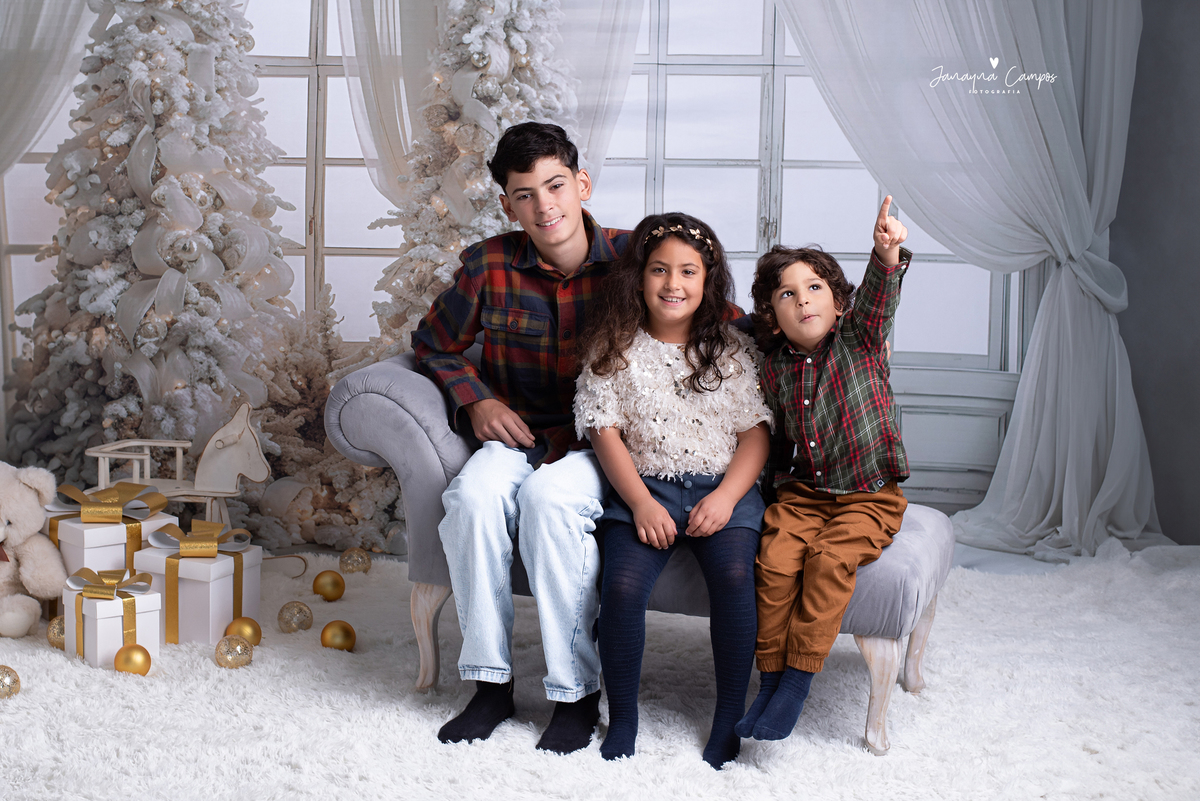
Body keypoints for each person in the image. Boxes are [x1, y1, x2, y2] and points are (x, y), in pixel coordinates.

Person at [412, 122, 630, 753]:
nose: (544, 205)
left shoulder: (635, 258)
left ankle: (574, 694)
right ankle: (489, 685)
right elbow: (433, 344)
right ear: (508, 205)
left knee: (548, 502)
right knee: (472, 499)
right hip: (519, 434)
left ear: (582, 184)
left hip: (600, 443)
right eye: (525, 194)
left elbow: (714, 318)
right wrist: (475, 398)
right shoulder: (488, 265)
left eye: (555, 185)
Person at [574, 212, 772, 768]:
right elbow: (604, 430)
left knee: (735, 579)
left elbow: (755, 434)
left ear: (707, 280)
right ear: (639, 277)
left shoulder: (731, 350)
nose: (673, 284)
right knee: (620, 589)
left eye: (688, 271)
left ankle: (728, 719)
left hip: (723, 489)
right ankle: (624, 718)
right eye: (659, 269)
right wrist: (639, 502)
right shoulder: (613, 349)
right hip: (648, 490)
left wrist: (726, 498)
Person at [734, 197, 912, 742]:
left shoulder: (860, 339)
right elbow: (774, 442)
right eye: (786, 294)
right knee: (775, 561)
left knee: (829, 559)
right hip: (806, 493)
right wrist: (766, 495)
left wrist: (886, 253)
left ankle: (797, 681)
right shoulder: (773, 369)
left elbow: (879, 299)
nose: (802, 300)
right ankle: (770, 677)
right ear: (773, 315)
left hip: (869, 495)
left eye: (814, 288)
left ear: (838, 304)